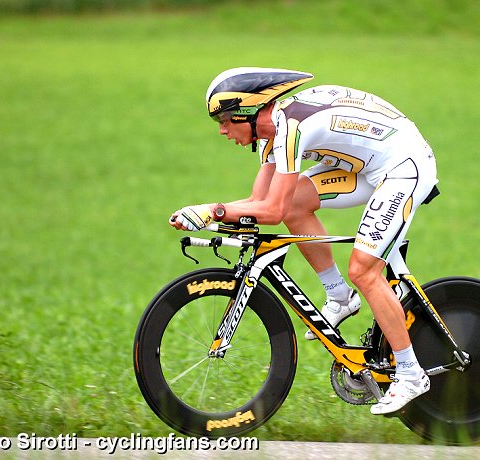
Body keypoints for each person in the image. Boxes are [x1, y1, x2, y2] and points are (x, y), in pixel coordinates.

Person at [170, 67, 438, 415]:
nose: (222, 130)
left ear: (247, 113)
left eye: (224, 120)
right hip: (367, 164)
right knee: (297, 203)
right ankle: (339, 297)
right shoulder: (274, 132)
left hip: (403, 166)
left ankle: (411, 374)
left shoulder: (291, 130)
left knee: (365, 269)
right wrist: (207, 213)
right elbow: (259, 202)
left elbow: (270, 210)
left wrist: (213, 212)